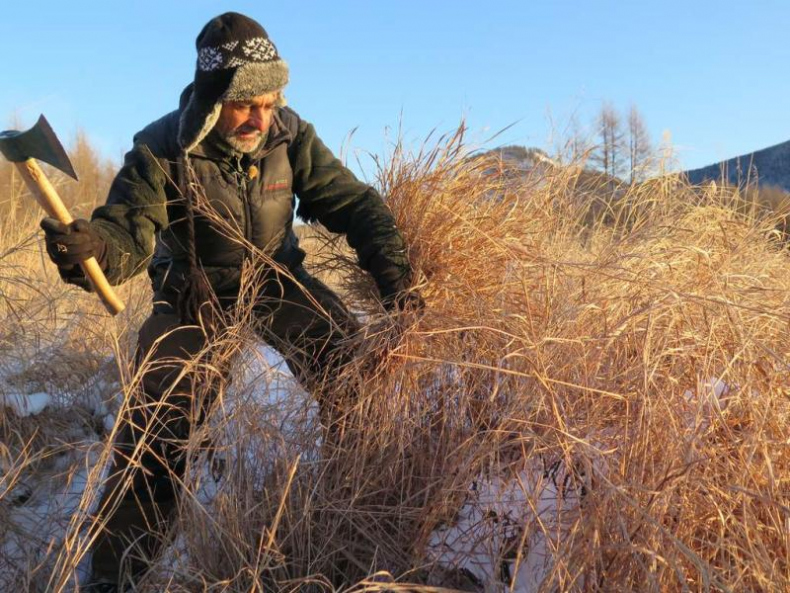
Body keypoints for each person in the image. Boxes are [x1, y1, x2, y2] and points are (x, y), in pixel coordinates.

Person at [39, 12, 419, 591]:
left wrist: (395, 273)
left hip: (274, 279)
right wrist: (92, 249)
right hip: (192, 294)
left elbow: (356, 205)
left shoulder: (292, 136)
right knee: (157, 435)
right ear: (215, 98)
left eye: (270, 102)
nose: (261, 118)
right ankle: (114, 576)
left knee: (353, 371)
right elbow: (128, 232)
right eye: (246, 104)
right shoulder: (161, 147)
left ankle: (355, 517)